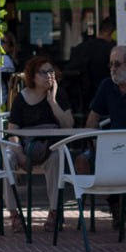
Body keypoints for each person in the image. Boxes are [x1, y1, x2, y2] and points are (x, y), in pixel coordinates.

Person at [7, 55, 75, 230]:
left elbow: (68, 125)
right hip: (24, 147)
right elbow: (12, 131)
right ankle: (14, 214)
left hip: (48, 148)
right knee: (5, 160)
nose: (48, 76)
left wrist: (52, 102)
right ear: (33, 76)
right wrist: (19, 153)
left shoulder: (58, 95)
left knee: (58, 156)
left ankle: (54, 212)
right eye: (43, 72)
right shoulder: (21, 98)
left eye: (51, 71)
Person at [68, 17, 117, 110]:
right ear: (111, 32)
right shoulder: (112, 51)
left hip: (81, 103)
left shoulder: (79, 49)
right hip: (106, 102)